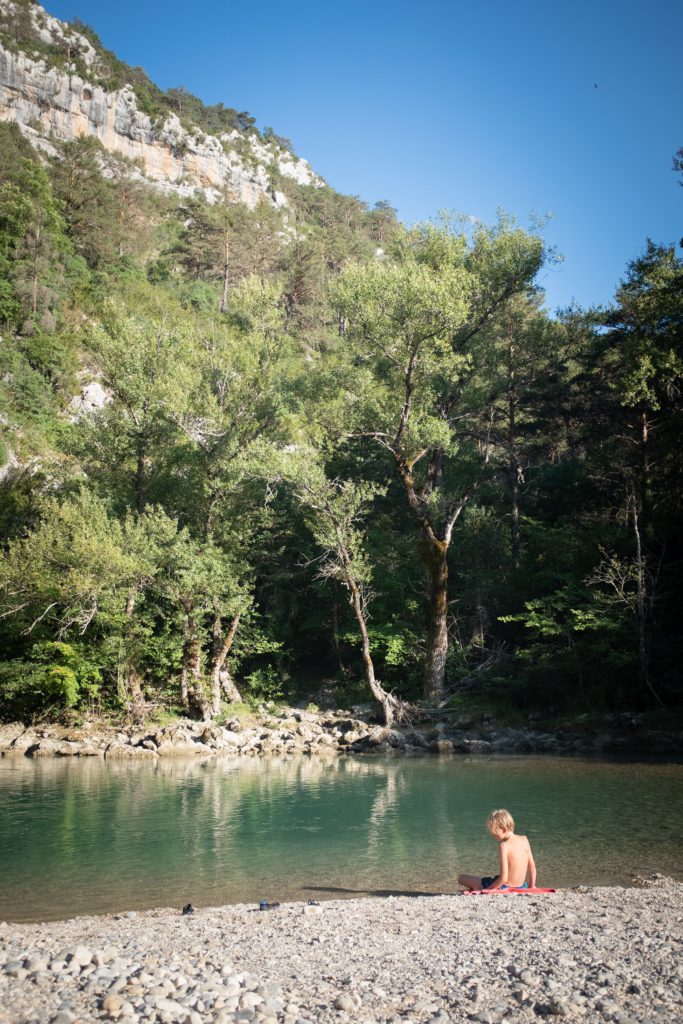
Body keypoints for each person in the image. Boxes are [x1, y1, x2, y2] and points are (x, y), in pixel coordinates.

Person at [458, 808, 536, 891]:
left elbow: (504, 878)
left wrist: (488, 889)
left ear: (504, 830)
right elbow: (532, 869)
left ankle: (478, 887)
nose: (494, 836)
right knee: (492, 879)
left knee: (462, 878)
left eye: (495, 834)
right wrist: (530, 887)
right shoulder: (524, 839)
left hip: (504, 886)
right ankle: (477, 886)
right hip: (522, 886)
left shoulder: (504, 845)